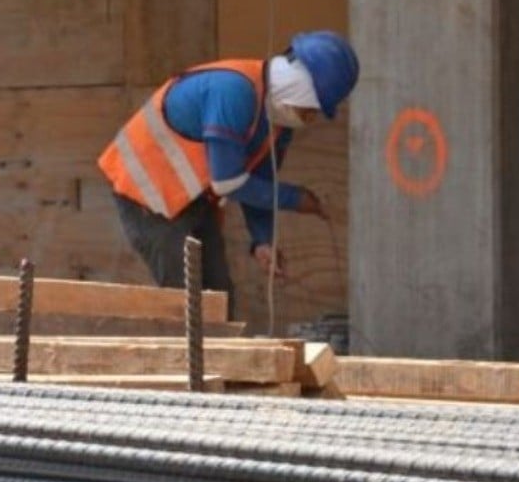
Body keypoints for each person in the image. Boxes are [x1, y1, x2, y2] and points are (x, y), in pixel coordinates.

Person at [98, 30, 358, 316]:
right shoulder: (233, 91)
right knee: (185, 303)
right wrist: (296, 199)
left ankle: (211, 357)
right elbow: (228, 182)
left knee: (218, 299)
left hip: (192, 198)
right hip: (147, 195)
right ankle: (185, 359)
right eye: (311, 110)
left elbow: (260, 181)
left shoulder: (278, 121)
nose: (311, 119)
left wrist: (263, 241)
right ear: (298, 90)